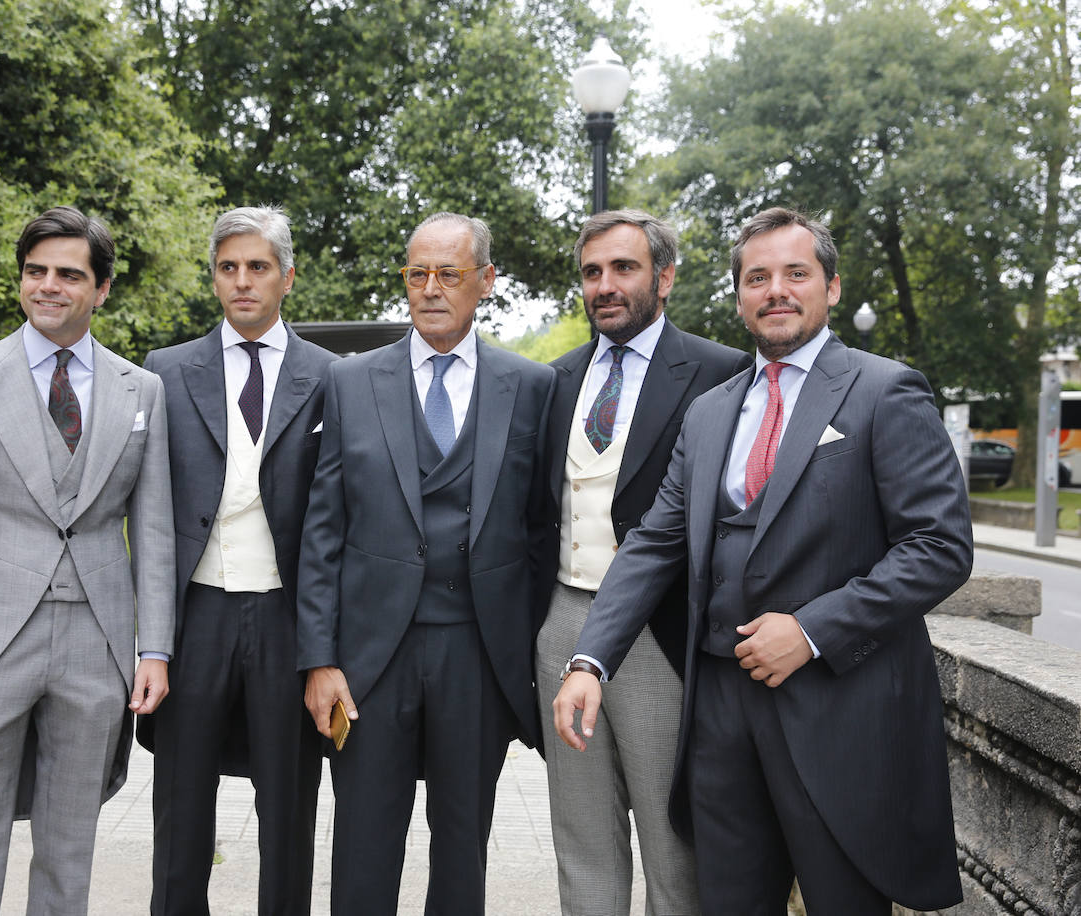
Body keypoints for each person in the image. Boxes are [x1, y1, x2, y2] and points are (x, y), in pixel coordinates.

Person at [553, 206, 971, 914]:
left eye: (795, 273)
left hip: (838, 708)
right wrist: (590, 660)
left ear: (831, 288)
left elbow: (939, 547)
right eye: (757, 278)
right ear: (739, 295)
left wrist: (811, 631)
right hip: (718, 712)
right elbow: (654, 543)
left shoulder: (885, 390)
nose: (775, 290)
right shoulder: (710, 412)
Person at [0, 206, 174, 915]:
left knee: (68, 847)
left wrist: (156, 649)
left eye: (68, 274)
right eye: (35, 271)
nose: (47, 286)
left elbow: (156, 531)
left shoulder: (142, 390)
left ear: (102, 289)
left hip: (97, 640)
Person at [296, 211, 554, 915]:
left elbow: (540, 530)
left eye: (450, 273)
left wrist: (526, 655)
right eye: (417, 273)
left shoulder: (530, 387)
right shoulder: (351, 382)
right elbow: (323, 529)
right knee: (362, 849)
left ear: (487, 282)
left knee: (462, 849)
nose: (431, 288)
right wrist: (319, 658)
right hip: (369, 660)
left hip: (478, 654)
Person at [534, 209, 749, 915]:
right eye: (592, 272)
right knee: (581, 834)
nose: (605, 285)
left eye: (623, 268)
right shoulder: (558, 380)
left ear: (665, 276)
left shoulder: (721, 372)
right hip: (564, 620)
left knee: (672, 837)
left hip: (660, 631)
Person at [136, 206, 336, 916]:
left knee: (289, 808)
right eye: (228, 268)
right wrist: (150, 642)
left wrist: (326, 647)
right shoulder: (166, 371)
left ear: (287, 276)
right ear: (214, 278)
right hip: (198, 614)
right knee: (181, 808)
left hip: (288, 618)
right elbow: (148, 508)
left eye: (257, 267)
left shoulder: (332, 376)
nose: (242, 282)